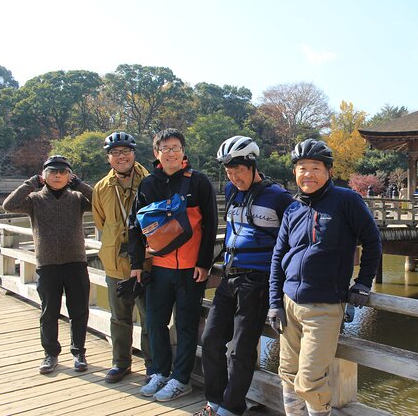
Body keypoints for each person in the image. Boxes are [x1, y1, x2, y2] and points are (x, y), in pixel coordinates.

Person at [268, 139, 382, 416]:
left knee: (309, 381)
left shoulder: (346, 200)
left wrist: (363, 283)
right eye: (302, 168)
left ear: (329, 171)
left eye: (315, 167)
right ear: (295, 173)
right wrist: (274, 301)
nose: (307, 174)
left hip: (324, 306)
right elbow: (277, 256)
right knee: (287, 372)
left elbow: (372, 241)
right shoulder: (293, 209)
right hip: (289, 303)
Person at [198, 136, 294, 416]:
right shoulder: (231, 191)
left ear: (252, 165)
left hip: (258, 280)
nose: (233, 177)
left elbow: (292, 240)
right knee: (211, 340)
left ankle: (231, 408)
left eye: (238, 170)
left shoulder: (278, 197)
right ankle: (213, 402)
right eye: (228, 172)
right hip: (228, 277)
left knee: (241, 350)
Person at [129, 128, 218, 402]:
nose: (171, 153)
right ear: (156, 153)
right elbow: (135, 226)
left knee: (187, 325)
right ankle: (159, 372)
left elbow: (211, 223)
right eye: (165, 148)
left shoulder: (198, 182)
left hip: (191, 268)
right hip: (159, 267)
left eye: (176, 147)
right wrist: (136, 264)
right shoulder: (148, 184)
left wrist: (204, 263)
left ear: (183, 152)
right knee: (155, 323)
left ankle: (181, 379)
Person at [3, 155, 92, 374]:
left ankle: (79, 352)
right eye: (53, 172)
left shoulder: (77, 198)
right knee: (49, 312)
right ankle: (50, 353)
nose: (58, 176)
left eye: (63, 172)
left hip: (76, 262)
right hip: (48, 264)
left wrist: (80, 184)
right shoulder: (34, 199)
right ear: (44, 175)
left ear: (69, 176)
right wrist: (31, 183)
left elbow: (101, 201)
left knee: (79, 311)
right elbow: (9, 205)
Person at [92, 132, 153, 384]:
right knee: (119, 317)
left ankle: (153, 365)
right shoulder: (101, 188)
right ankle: (120, 362)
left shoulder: (150, 181)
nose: (121, 156)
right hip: (116, 263)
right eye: (115, 153)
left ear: (134, 153)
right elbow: (100, 221)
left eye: (125, 151)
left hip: (147, 263)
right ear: (108, 158)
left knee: (150, 317)